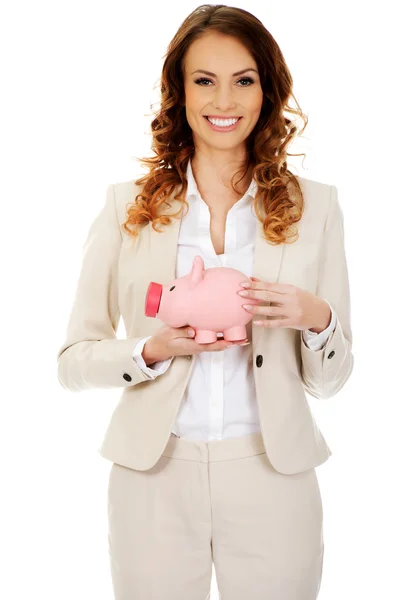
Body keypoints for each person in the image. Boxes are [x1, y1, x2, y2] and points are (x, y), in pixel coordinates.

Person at [56, 5, 354, 599]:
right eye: (204, 80)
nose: (225, 99)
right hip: (154, 474)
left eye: (244, 79)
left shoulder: (316, 207)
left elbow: (333, 379)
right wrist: (150, 349)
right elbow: (72, 361)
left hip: (274, 473)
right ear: (179, 92)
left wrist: (317, 319)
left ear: (267, 92)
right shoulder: (127, 207)